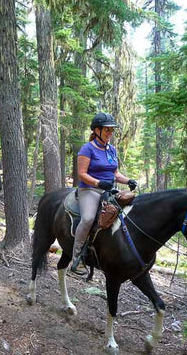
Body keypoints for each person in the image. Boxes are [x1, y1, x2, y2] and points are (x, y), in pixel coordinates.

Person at [71, 112, 138, 275]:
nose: (110, 133)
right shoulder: (87, 149)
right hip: (90, 189)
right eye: (107, 130)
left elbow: (115, 173)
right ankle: (77, 258)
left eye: (112, 130)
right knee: (87, 219)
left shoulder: (111, 149)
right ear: (97, 130)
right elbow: (81, 173)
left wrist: (128, 180)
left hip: (109, 189)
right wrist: (98, 183)